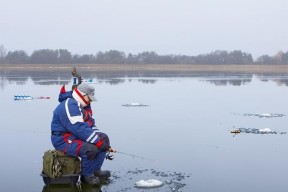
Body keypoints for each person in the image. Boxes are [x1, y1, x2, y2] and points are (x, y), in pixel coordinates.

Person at [51, 83, 115, 185]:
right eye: (89, 98)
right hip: (63, 139)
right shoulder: (70, 105)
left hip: (74, 135)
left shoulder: (80, 106)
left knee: (104, 139)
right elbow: (79, 127)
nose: (90, 101)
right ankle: (86, 176)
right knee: (90, 149)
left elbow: (90, 125)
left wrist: (101, 141)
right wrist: (98, 143)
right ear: (82, 95)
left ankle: (96, 171)